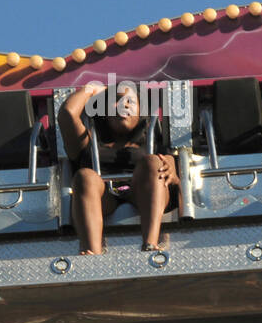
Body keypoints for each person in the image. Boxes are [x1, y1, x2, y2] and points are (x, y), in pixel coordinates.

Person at [59, 80, 178, 254]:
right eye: (117, 99)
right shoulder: (88, 142)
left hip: (143, 193)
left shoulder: (154, 143)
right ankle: (92, 252)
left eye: (131, 101)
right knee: (84, 176)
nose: (124, 105)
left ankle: (150, 244)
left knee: (152, 162)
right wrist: (91, 89)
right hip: (103, 197)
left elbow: (174, 175)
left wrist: (172, 168)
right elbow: (67, 113)